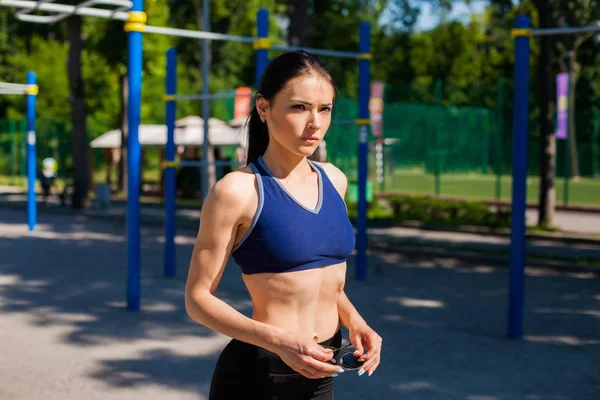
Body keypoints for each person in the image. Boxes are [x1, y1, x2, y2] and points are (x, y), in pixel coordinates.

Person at [184, 51, 382, 400]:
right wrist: (278, 340)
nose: (314, 123)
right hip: (260, 375)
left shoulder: (334, 180)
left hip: (323, 371)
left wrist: (356, 321)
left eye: (325, 109)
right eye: (299, 107)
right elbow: (197, 299)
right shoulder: (238, 190)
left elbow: (324, 283)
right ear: (263, 108)